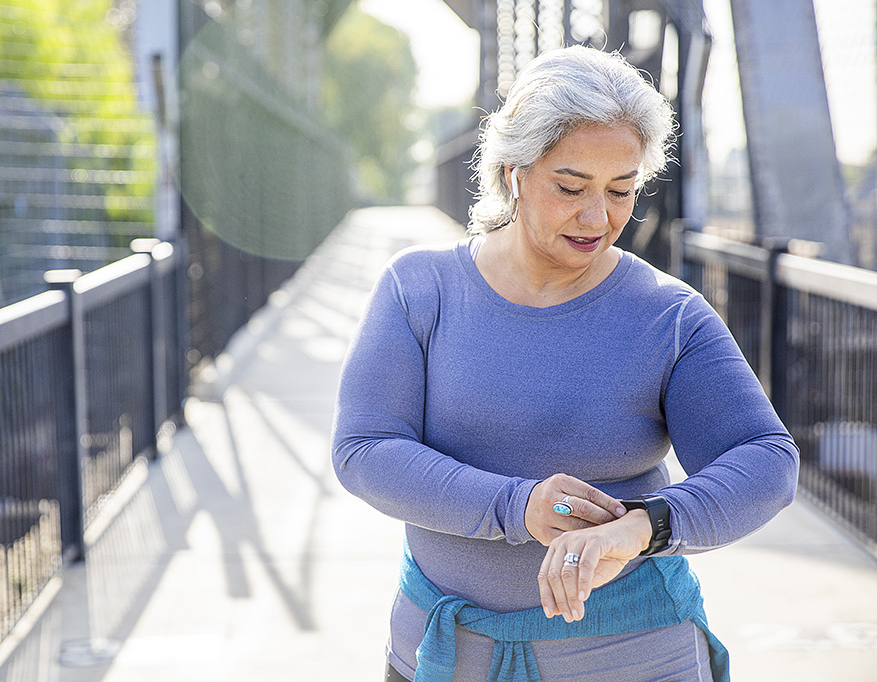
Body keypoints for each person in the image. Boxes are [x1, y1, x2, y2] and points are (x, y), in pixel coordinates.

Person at [331, 45, 799, 682]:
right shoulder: (420, 290)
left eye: (621, 191)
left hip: (634, 659)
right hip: (443, 657)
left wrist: (639, 528)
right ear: (512, 173)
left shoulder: (668, 315)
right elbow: (365, 448)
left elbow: (767, 458)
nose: (597, 217)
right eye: (570, 187)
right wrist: (517, 506)